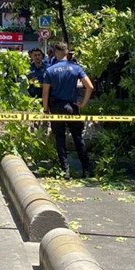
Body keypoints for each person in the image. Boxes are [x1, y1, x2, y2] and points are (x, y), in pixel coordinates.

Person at [41, 41, 95, 178]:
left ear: (56, 52)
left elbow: (45, 92)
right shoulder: (76, 68)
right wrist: (82, 104)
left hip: (57, 107)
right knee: (78, 138)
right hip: (72, 107)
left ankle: (64, 170)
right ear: (67, 52)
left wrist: (46, 109)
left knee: (60, 138)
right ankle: (87, 169)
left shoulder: (50, 70)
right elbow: (90, 87)